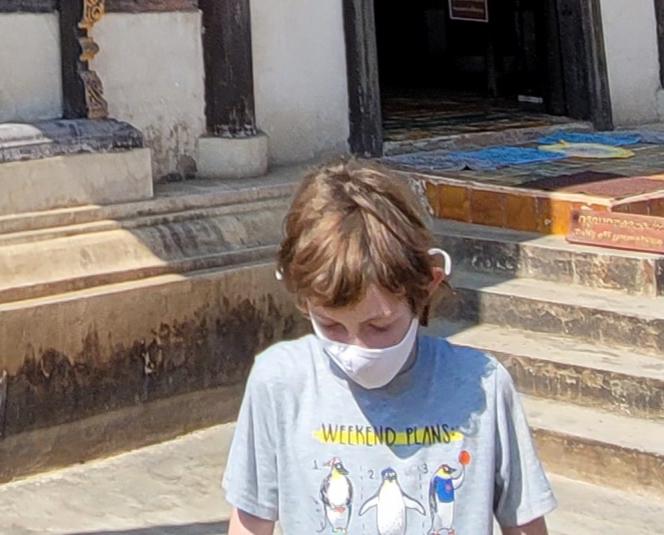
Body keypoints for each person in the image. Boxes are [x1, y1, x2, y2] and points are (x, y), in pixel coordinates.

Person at [223, 159, 552, 535]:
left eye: (378, 327)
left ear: (426, 288)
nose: (356, 349)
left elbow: (524, 524)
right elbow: (251, 521)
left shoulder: (483, 385)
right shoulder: (280, 382)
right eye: (331, 326)